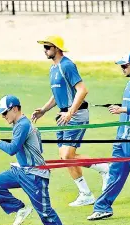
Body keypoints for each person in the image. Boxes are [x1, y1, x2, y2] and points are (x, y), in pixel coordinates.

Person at [0, 95, 78, 225]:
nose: (3, 117)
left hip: (35, 176)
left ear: (14, 109)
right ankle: (19, 208)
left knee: (46, 213)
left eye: (5, 113)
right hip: (21, 170)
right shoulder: (19, 125)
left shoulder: (24, 125)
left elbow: (12, 149)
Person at [32, 35, 109, 207]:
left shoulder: (67, 65)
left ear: (57, 48)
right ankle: (86, 193)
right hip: (63, 115)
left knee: (67, 155)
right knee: (65, 157)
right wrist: (44, 110)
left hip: (75, 114)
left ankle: (105, 168)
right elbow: (57, 94)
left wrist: (70, 112)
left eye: (47, 47)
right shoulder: (53, 69)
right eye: (44, 47)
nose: (44, 50)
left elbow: (82, 90)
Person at [88, 51, 130, 220]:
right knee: (115, 171)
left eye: (124, 66)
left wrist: (123, 110)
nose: (122, 69)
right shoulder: (129, 84)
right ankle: (103, 206)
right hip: (122, 136)